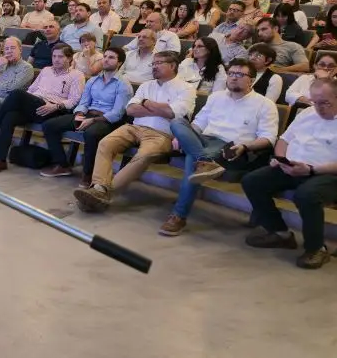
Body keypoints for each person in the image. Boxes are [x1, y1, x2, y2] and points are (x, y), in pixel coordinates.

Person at [160, 59, 279, 236]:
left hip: (233, 148)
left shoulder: (264, 104)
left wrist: (245, 146)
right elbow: (198, 125)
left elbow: (268, 138)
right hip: (204, 140)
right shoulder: (216, 97)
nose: (233, 78)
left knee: (194, 159)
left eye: (240, 74)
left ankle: (179, 215)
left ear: (251, 80)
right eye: (231, 73)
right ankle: (205, 161)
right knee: (177, 122)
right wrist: (182, 137)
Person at [74, 51, 195, 213]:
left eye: (159, 63)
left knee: (143, 155)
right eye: (153, 63)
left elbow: (173, 114)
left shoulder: (186, 88)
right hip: (134, 127)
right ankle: (99, 187)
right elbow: (130, 110)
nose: (154, 66)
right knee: (105, 143)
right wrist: (160, 108)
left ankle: (103, 192)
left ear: (172, 66)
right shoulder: (146, 85)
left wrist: (145, 104)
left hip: (161, 133)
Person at [241, 78, 337, 269]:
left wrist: (311, 169)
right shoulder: (307, 113)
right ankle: (280, 233)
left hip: (326, 174)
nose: (318, 107)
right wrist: (281, 159)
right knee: (252, 181)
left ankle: (316, 248)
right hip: (292, 167)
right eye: (314, 101)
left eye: (325, 102)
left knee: (307, 195)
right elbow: (283, 140)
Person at [40, 47, 133, 188]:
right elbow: (84, 102)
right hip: (88, 114)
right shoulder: (93, 80)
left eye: (111, 57)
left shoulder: (123, 84)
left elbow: (117, 113)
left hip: (107, 120)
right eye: (105, 56)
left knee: (91, 134)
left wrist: (93, 120)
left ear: (119, 63)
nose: (106, 60)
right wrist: (79, 114)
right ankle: (63, 165)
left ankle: (88, 174)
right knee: (49, 125)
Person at [0, 44, 85, 173]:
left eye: (60, 56)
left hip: (52, 110)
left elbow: (74, 100)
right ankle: (0, 160)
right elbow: (32, 89)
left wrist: (55, 106)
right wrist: (28, 101)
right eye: (54, 56)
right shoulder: (46, 70)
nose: (56, 59)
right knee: (10, 117)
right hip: (34, 104)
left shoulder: (77, 75)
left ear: (69, 58)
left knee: (16, 93)